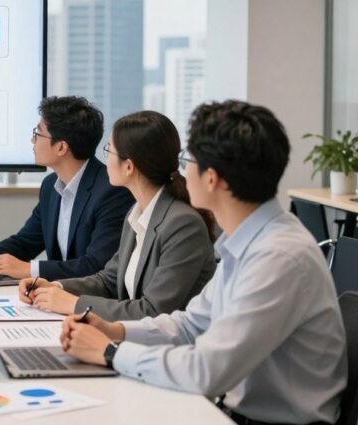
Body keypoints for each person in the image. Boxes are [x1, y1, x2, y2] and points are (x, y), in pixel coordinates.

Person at [59, 101, 346, 425]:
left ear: (212, 178)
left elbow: (207, 371)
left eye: (188, 161)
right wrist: (115, 330)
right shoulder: (251, 242)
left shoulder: (278, 258)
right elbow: (190, 324)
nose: (181, 172)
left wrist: (110, 352)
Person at [18, 111, 216, 321]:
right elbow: (109, 280)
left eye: (109, 150)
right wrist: (56, 287)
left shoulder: (182, 224)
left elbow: (152, 311)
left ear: (129, 166)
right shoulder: (137, 213)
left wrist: (73, 304)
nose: (105, 160)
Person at [0, 96, 134, 280]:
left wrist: (29, 269)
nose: (32, 140)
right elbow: (26, 242)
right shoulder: (50, 186)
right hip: (54, 292)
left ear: (61, 147)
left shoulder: (112, 191)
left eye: (38, 133)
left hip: (87, 295)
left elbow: (96, 266)